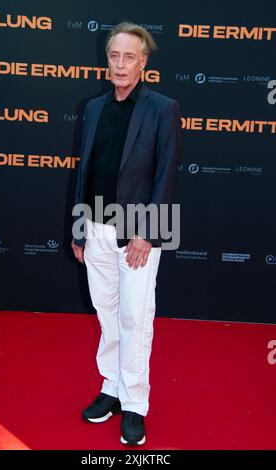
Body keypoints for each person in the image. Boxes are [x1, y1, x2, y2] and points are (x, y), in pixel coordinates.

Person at [71, 22, 181, 446]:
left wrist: (148, 234)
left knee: (136, 317)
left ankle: (135, 403)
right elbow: (86, 171)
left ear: (143, 62)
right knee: (107, 314)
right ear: (108, 59)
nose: (120, 64)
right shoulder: (94, 107)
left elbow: (166, 175)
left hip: (138, 232)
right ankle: (112, 389)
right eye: (114, 56)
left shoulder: (163, 107)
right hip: (96, 227)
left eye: (129, 57)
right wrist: (81, 231)